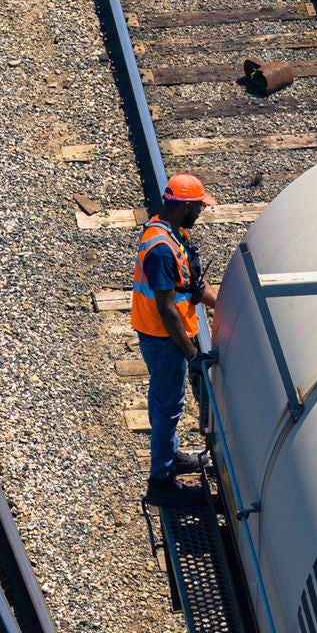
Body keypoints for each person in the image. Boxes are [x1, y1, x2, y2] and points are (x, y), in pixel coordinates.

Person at [132, 173, 220, 503]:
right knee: (168, 407)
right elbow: (167, 309)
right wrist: (190, 351)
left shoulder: (172, 233)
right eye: (198, 207)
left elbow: (193, 286)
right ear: (183, 207)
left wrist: (226, 303)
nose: (201, 212)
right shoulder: (160, 250)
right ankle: (161, 483)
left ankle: (170, 457)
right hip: (163, 339)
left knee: (168, 403)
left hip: (168, 337)